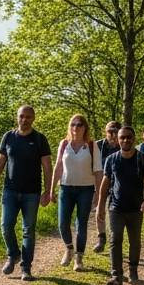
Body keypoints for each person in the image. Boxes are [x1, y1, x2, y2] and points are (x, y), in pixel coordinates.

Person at [0, 104, 52, 281]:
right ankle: (13, 254)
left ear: (34, 118)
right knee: (6, 226)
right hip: (10, 191)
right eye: (21, 116)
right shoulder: (8, 137)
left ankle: (26, 268)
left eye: (28, 117)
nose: (24, 120)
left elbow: (47, 166)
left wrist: (48, 191)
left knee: (28, 231)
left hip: (32, 193)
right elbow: (0, 162)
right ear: (17, 117)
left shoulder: (39, 139)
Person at [96, 125, 144, 285]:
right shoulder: (112, 159)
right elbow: (105, 183)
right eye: (122, 137)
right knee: (115, 240)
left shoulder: (142, 159)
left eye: (129, 137)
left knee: (135, 241)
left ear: (134, 139)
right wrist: (100, 206)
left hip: (136, 208)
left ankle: (133, 269)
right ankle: (116, 276)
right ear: (117, 139)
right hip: (116, 208)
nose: (126, 140)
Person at [51, 114, 102, 272]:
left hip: (86, 190)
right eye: (73, 124)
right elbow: (58, 166)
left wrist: (98, 194)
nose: (76, 128)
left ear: (85, 127)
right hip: (66, 188)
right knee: (62, 222)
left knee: (81, 224)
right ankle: (69, 248)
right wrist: (51, 189)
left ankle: (79, 258)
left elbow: (98, 172)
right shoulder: (64, 143)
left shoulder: (92, 146)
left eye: (79, 125)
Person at [93, 121, 120, 252]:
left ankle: (114, 239)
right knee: (99, 210)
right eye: (110, 132)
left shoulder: (124, 146)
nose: (113, 135)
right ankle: (101, 238)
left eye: (116, 132)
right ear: (106, 132)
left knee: (115, 215)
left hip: (118, 186)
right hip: (99, 184)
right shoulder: (97, 145)